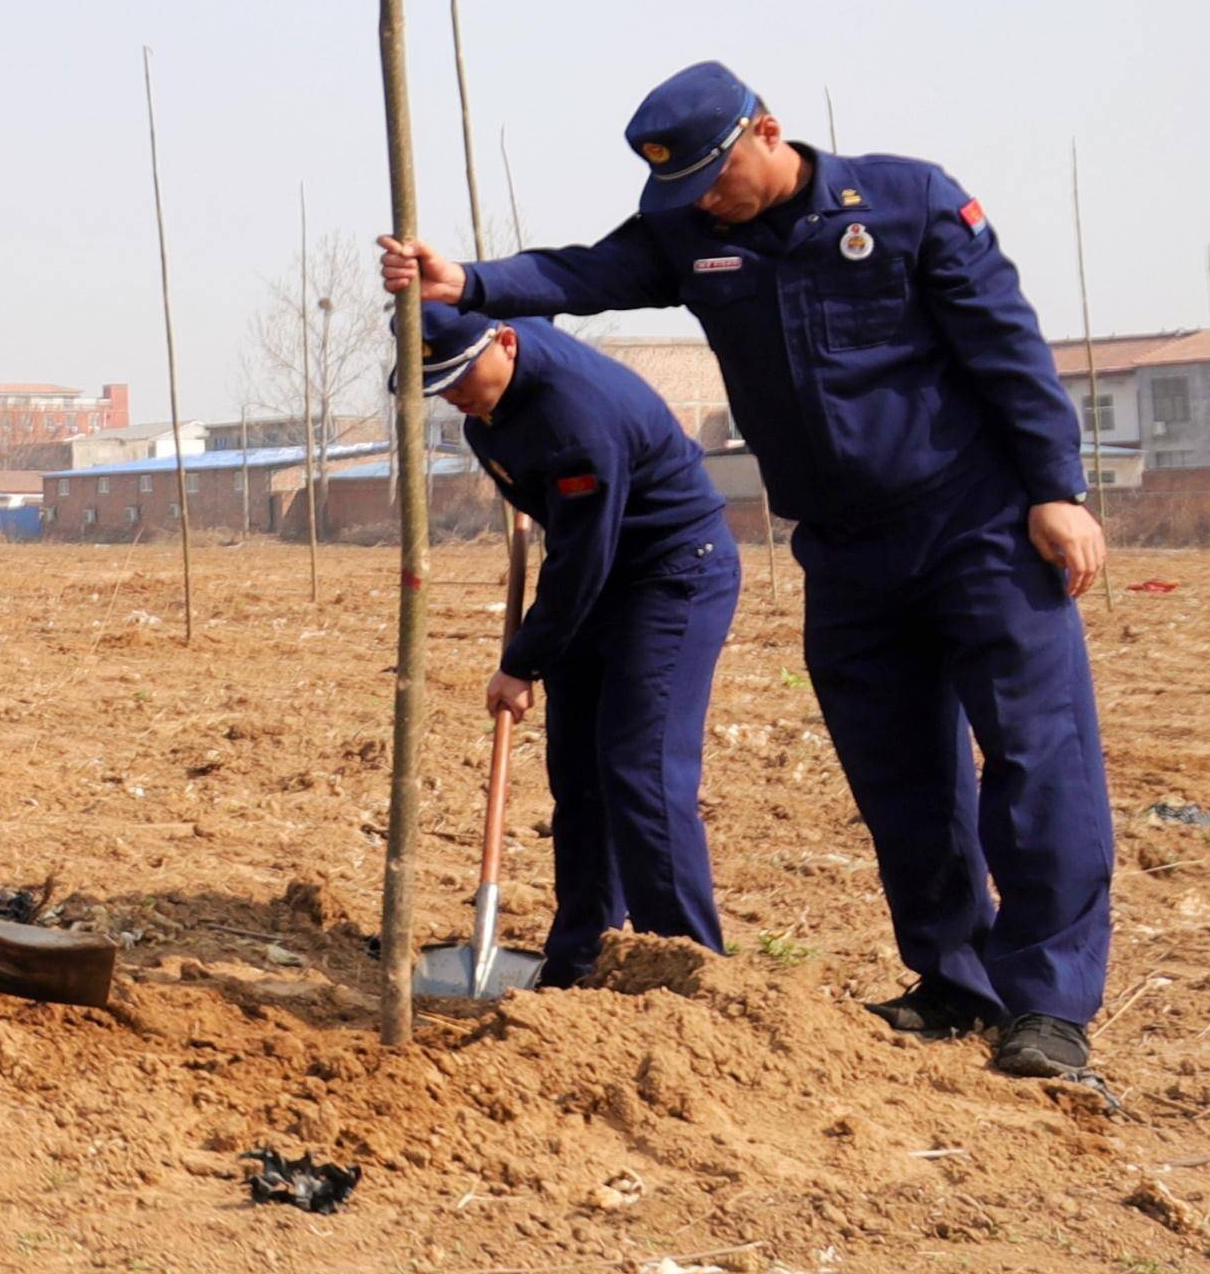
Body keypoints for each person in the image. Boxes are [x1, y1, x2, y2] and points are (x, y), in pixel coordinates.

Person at [383, 66, 1111, 1083]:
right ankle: (954, 979)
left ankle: (1047, 1006)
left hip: (975, 523)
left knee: (1036, 761)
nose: (698, 206)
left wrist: (1056, 486)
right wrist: (467, 280)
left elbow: (1007, 349)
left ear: (765, 132)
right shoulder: (692, 236)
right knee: (901, 777)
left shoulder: (909, 202)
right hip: (845, 548)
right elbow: (587, 272)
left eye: (711, 182)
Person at [418, 293, 737, 980]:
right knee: (580, 778)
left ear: (502, 343)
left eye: (460, 379)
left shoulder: (574, 419)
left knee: (639, 772)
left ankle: (681, 965)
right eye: (438, 388)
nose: (455, 400)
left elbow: (584, 557)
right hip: (594, 571)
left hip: (668, 573)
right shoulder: (497, 393)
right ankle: (583, 957)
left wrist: (522, 663)